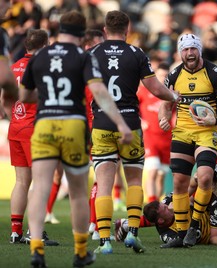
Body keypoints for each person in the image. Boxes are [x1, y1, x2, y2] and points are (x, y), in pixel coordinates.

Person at [21, 10, 133, 267]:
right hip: (73, 125)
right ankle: (81, 251)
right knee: (78, 192)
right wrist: (120, 123)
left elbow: (24, 95)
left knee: (39, 187)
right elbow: (99, 91)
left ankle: (36, 248)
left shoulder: (39, 56)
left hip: (45, 124)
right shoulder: (83, 56)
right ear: (82, 33)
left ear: (58, 30)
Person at [89, 10, 179, 255]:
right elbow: (154, 88)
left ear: (105, 30)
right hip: (130, 122)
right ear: (127, 30)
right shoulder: (136, 53)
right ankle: (133, 235)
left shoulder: (93, 54)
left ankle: (104, 242)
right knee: (135, 181)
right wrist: (175, 97)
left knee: (105, 185)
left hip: (102, 123)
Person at [158, 33, 217, 248]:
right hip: (182, 132)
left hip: (206, 132)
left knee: (204, 177)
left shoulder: (213, 73)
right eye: (186, 49)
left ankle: (194, 226)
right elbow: (165, 103)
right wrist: (163, 118)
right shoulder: (173, 75)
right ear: (180, 52)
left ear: (199, 50)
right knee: (180, 183)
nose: (190, 53)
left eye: (193, 49)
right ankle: (182, 234)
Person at [4, 29, 50, 243]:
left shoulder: (13, 67)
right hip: (35, 130)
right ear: (45, 45)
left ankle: (16, 231)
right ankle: (34, 231)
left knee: (21, 181)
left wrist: (12, 115)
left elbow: (4, 99)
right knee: (41, 181)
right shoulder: (43, 66)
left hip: (16, 127)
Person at [137, 62, 173, 203]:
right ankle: (152, 202)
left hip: (166, 138)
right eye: (160, 75)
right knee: (152, 172)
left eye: (165, 75)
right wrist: (139, 120)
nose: (163, 78)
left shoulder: (171, 94)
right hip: (150, 137)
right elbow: (132, 105)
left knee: (161, 175)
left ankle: (156, 206)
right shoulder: (144, 91)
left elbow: (175, 112)